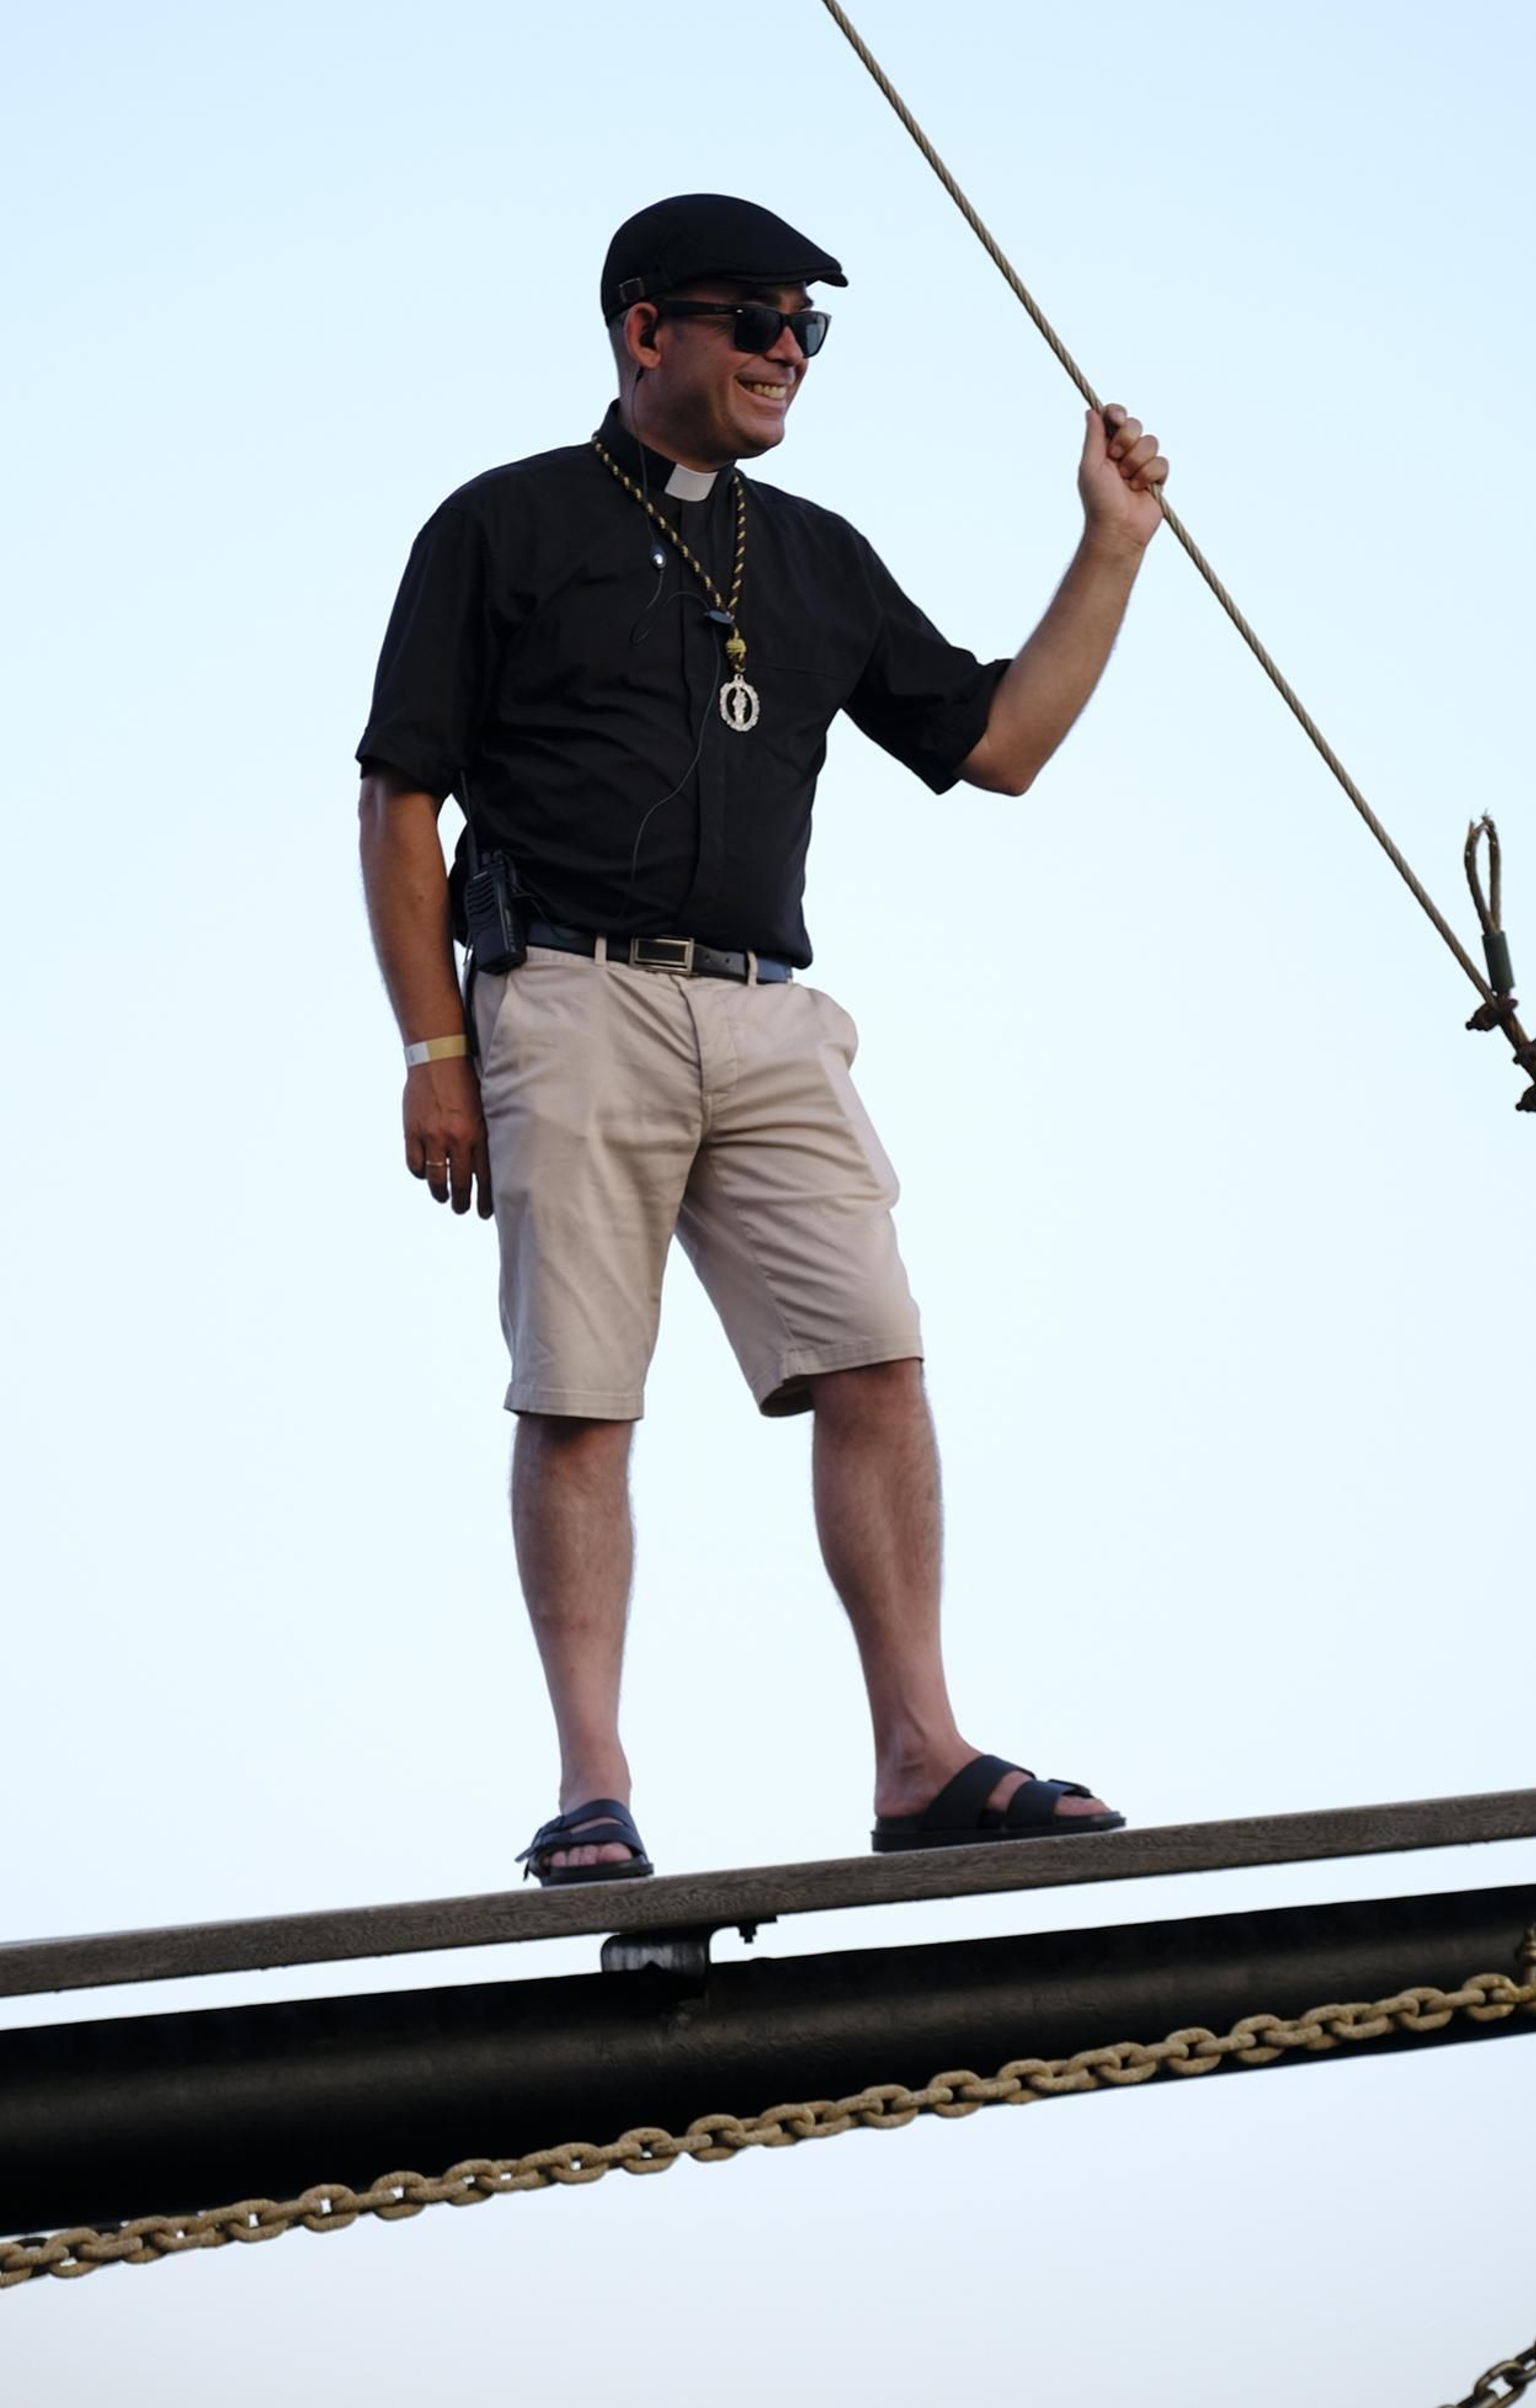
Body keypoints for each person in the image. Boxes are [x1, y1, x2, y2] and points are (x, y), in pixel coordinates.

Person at [357, 193, 1168, 1885]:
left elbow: (1003, 744)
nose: (788, 348)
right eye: (755, 318)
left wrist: (1112, 545)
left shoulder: (813, 555)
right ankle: (593, 1782)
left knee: (876, 1356)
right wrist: (434, 1050)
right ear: (645, 329)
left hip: (770, 1005)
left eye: (809, 326)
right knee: (581, 1393)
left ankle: (920, 1753)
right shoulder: (500, 524)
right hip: (566, 991)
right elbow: (399, 798)